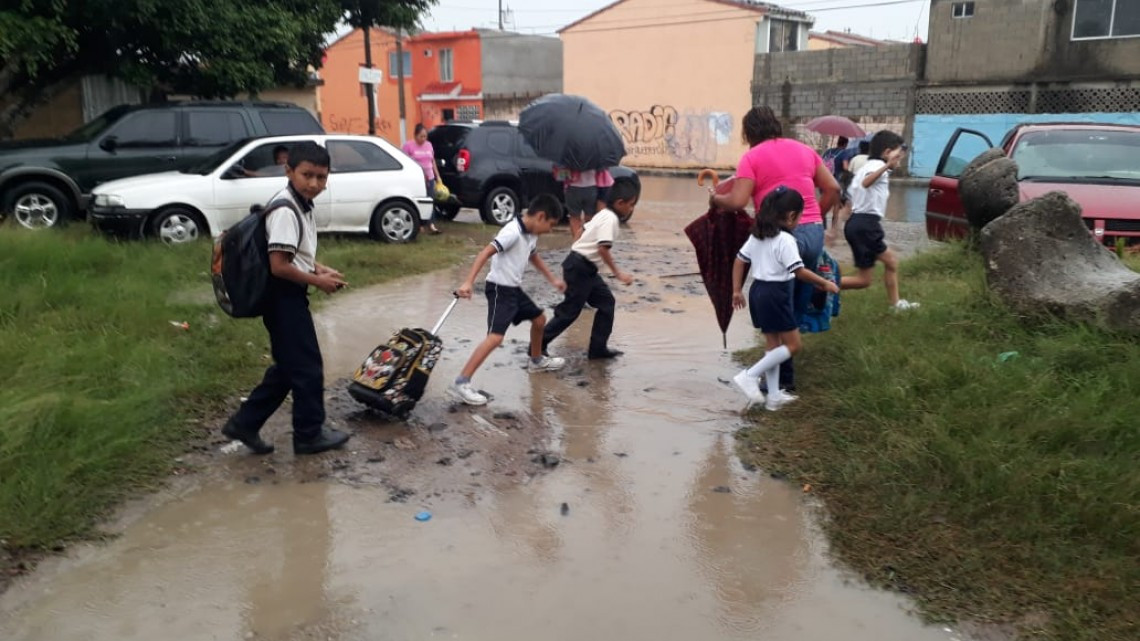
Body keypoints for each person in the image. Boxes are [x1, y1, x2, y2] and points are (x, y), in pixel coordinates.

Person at [222, 141, 351, 455]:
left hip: (286, 294)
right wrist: (318, 282)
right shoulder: (285, 208)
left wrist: (318, 267)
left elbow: (294, 252)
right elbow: (279, 266)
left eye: (321, 177)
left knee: (288, 367)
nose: (314, 184)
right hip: (283, 297)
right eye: (307, 175)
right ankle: (308, 435)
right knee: (307, 368)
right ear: (289, 170)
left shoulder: (298, 203)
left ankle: (245, 422)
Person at [710, 106, 840, 393]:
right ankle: (781, 380)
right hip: (812, 234)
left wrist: (715, 199)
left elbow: (737, 202)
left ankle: (778, 379)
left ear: (748, 133)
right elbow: (833, 189)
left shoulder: (752, 157)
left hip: (778, 235)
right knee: (791, 306)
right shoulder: (804, 150)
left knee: (776, 303)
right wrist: (813, 217)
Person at [452, 194, 568, 406]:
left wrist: (552, 279)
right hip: (499, 289)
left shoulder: (531, 233)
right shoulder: (512, 232)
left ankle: (536, 360)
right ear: (541, 216)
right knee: (495, 338)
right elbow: (485, 253)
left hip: (513, 289)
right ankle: (462, 382)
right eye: (550, 225)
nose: (550, 230)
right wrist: (468, 282)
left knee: (540, 319)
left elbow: (533, 256)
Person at [730, 187, 839, 411]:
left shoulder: (757, 235)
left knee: (773, 345)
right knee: (793, 345)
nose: (800, 221)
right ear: (791, 216)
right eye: (800, 216)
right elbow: (799, 271)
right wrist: (824, 282)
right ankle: (750, 375)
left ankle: (773, 397)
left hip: (758, 292)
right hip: (776, 294)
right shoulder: (786, 240)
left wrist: (736, 290)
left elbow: (740, 260)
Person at [542, 177, 639, 360]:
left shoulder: (602, 214)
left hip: (583, 267)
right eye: (631, 205)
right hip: (580, 268)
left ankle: (598, 349)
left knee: (606, 302)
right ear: (620, 203)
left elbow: (581, 231)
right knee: (569, 311)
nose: (631, 209)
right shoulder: (609, 219)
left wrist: (578, 248)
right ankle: (537, 346)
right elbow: (603, 248)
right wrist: (618, 274)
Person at [832, 130, 920, 311]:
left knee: (864, 280)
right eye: (898, 154)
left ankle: (821, 287)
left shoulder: (867, 164)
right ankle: (896, 305)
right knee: (892, 262)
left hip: (859, 224)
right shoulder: (875, 167)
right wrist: (887, 166)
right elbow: (866, 182)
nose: (900, 159)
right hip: (865, 225)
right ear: (887, 152)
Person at [402, 124, 442, 234]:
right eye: (421, 136)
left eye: (425, 136)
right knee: (419, 201)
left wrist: (437, 176)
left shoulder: (429, 145)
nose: (423, 139)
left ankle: (432, 224)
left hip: (430, 177)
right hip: (417, 178)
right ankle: (419, 224)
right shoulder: (408, 146)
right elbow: (405, 161)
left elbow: (432, 161)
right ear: (415, 135)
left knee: (430, 200)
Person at [560, 167, 599, 241]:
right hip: (591, 187)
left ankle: (577, 243)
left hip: (572, 187)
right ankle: (588, 241)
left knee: (574, 218)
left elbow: (561, 176)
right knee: (590, 218)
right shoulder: (594, 156)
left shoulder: (570, 156)